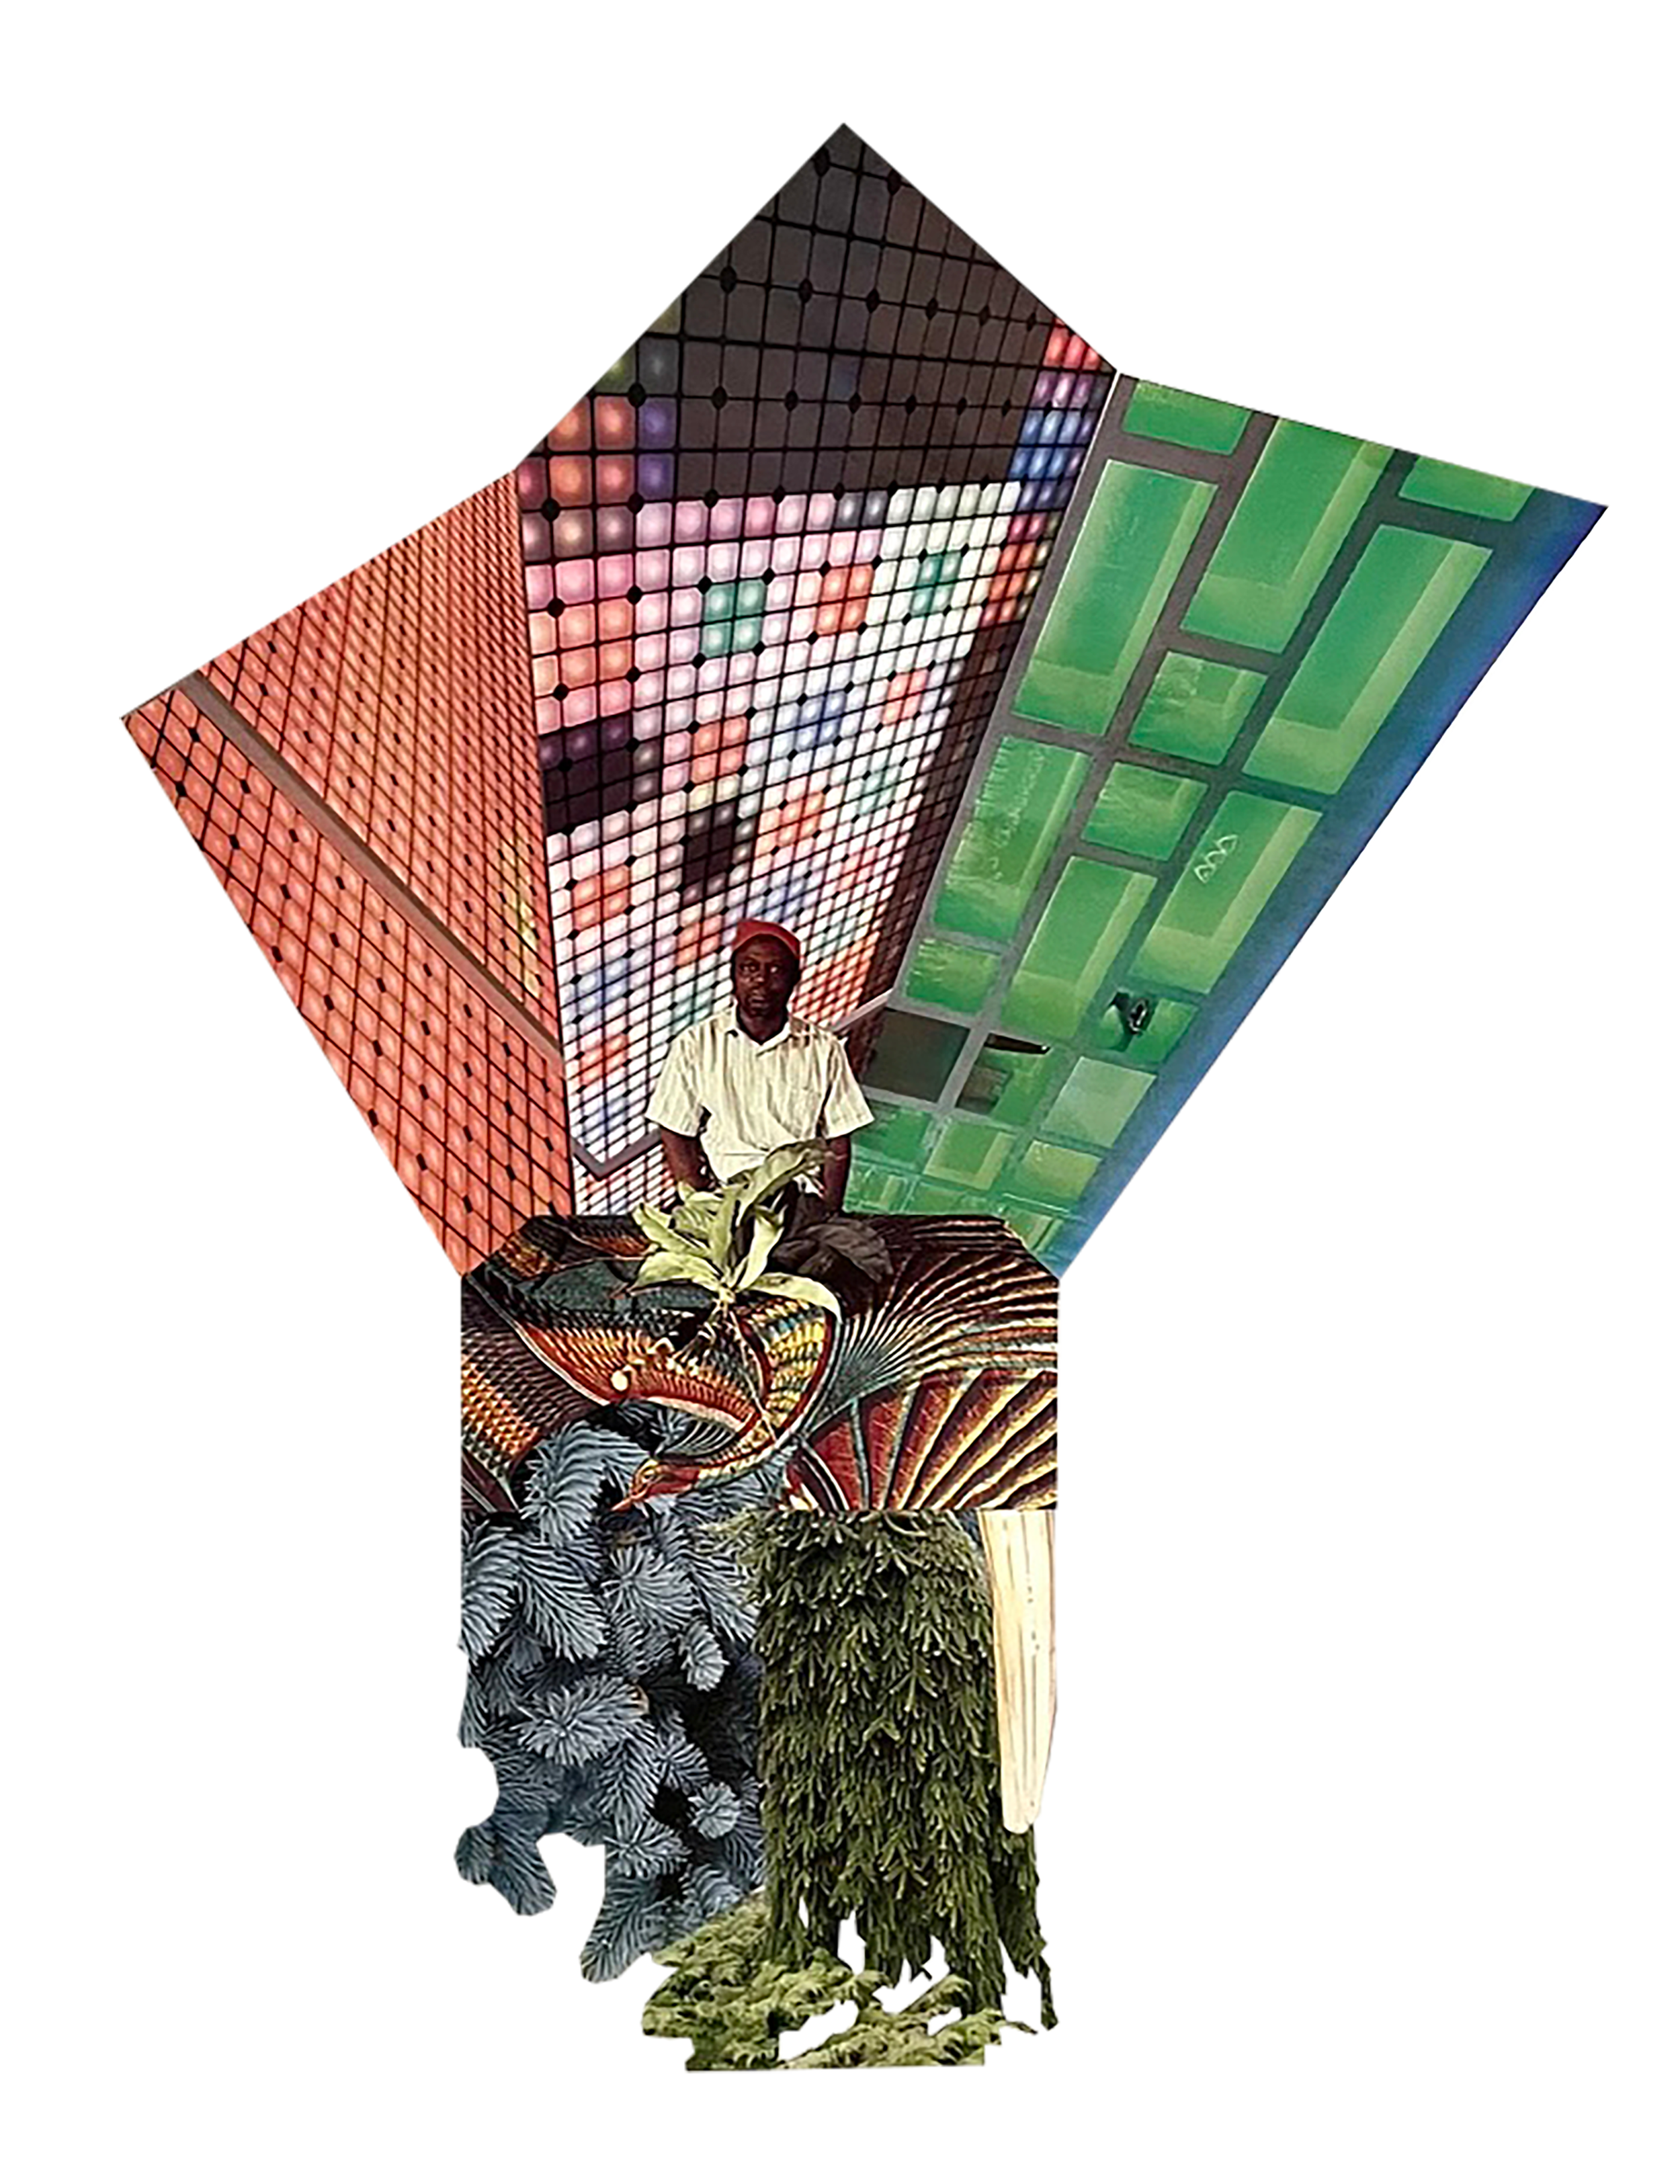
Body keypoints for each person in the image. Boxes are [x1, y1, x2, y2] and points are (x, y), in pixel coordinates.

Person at [645, 920, 875, 1212]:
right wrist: (698, 1201)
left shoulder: (824, 1049)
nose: (761, 981)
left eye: (776, 970)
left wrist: (829, 1212)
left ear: (794, 980)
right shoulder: (696, 1044)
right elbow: (674, 1128)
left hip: (799, 1199)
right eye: (749, 968)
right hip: (726, 1196)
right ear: (734, 976)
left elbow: (838, 1140)